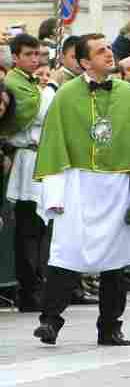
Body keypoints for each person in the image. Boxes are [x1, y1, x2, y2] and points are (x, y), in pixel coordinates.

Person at [32, 34, 130, 346]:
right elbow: (53, 145)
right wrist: (54, 195)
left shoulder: (128, 94)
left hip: (118, 187)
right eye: (101, 51)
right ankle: (50, 321)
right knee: (66, 254)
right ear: (83, 62)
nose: (109, 54)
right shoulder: (65, 95)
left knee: (115, 262)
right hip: (78, 184)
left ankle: (110, 327)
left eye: (109, 48)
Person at [2, 33, 55, 313]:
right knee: (27, 229)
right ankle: (29, 289)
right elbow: (28, 114)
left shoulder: (35, 83)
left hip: (42, 158)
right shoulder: (14, 83)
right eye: (29, 55)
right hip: (25, 157)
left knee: (41, 226)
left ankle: (40, 282)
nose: (35, 60)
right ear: (15, 57)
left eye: (38, 55)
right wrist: (48, 90)